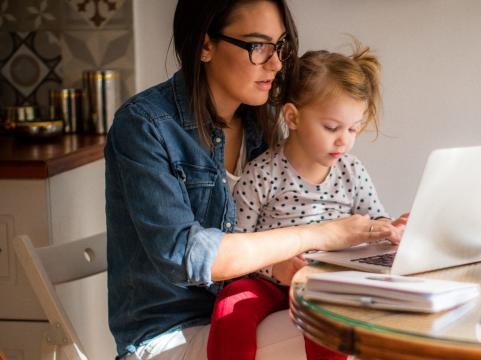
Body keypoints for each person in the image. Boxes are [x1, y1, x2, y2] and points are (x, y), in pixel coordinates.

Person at [104, 1, 402, 358]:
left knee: (370, 314)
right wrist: (319, 235)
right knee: (355, 330)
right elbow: (188, 255)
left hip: (254, 307)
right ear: (205, 44)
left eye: (280, 46)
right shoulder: (144, 125)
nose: (275, 63)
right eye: (257, 46)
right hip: (172, 334)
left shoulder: (260, 122)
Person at [207, 41, 408, 359]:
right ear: (293, 117)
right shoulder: (263, 172)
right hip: (267, 280)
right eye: (331, 127)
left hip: (327, 277)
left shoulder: (351, 171)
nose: (344, 139)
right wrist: (276, 269)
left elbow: (373, 221)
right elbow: (238, 247)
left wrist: (390, 228)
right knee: (231, 306)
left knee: (329, 322)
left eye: (354, 129)